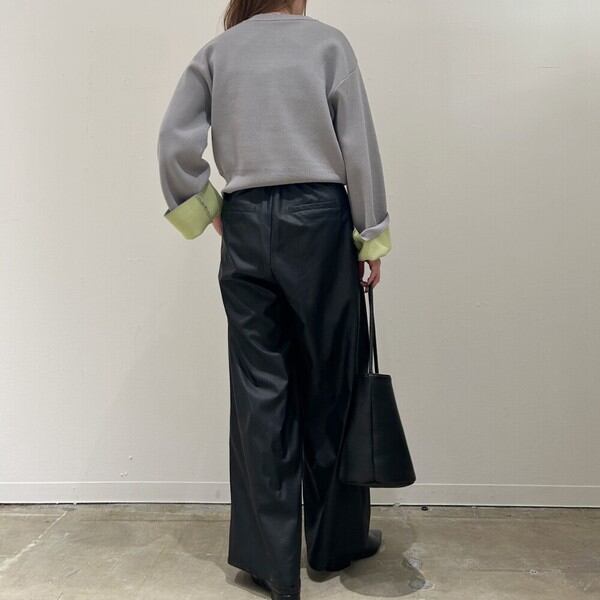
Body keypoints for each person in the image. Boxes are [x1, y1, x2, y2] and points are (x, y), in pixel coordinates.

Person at [157, 1, 390, 598]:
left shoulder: (218, 54)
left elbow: (173, 145)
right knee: (332, 383)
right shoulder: (327, 44)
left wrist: (209, 210)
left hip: (247, 221)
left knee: (260, 391)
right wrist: (371, 234)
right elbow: (358, 145)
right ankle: (335, 542)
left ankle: (271, 561)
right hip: (319, 222)